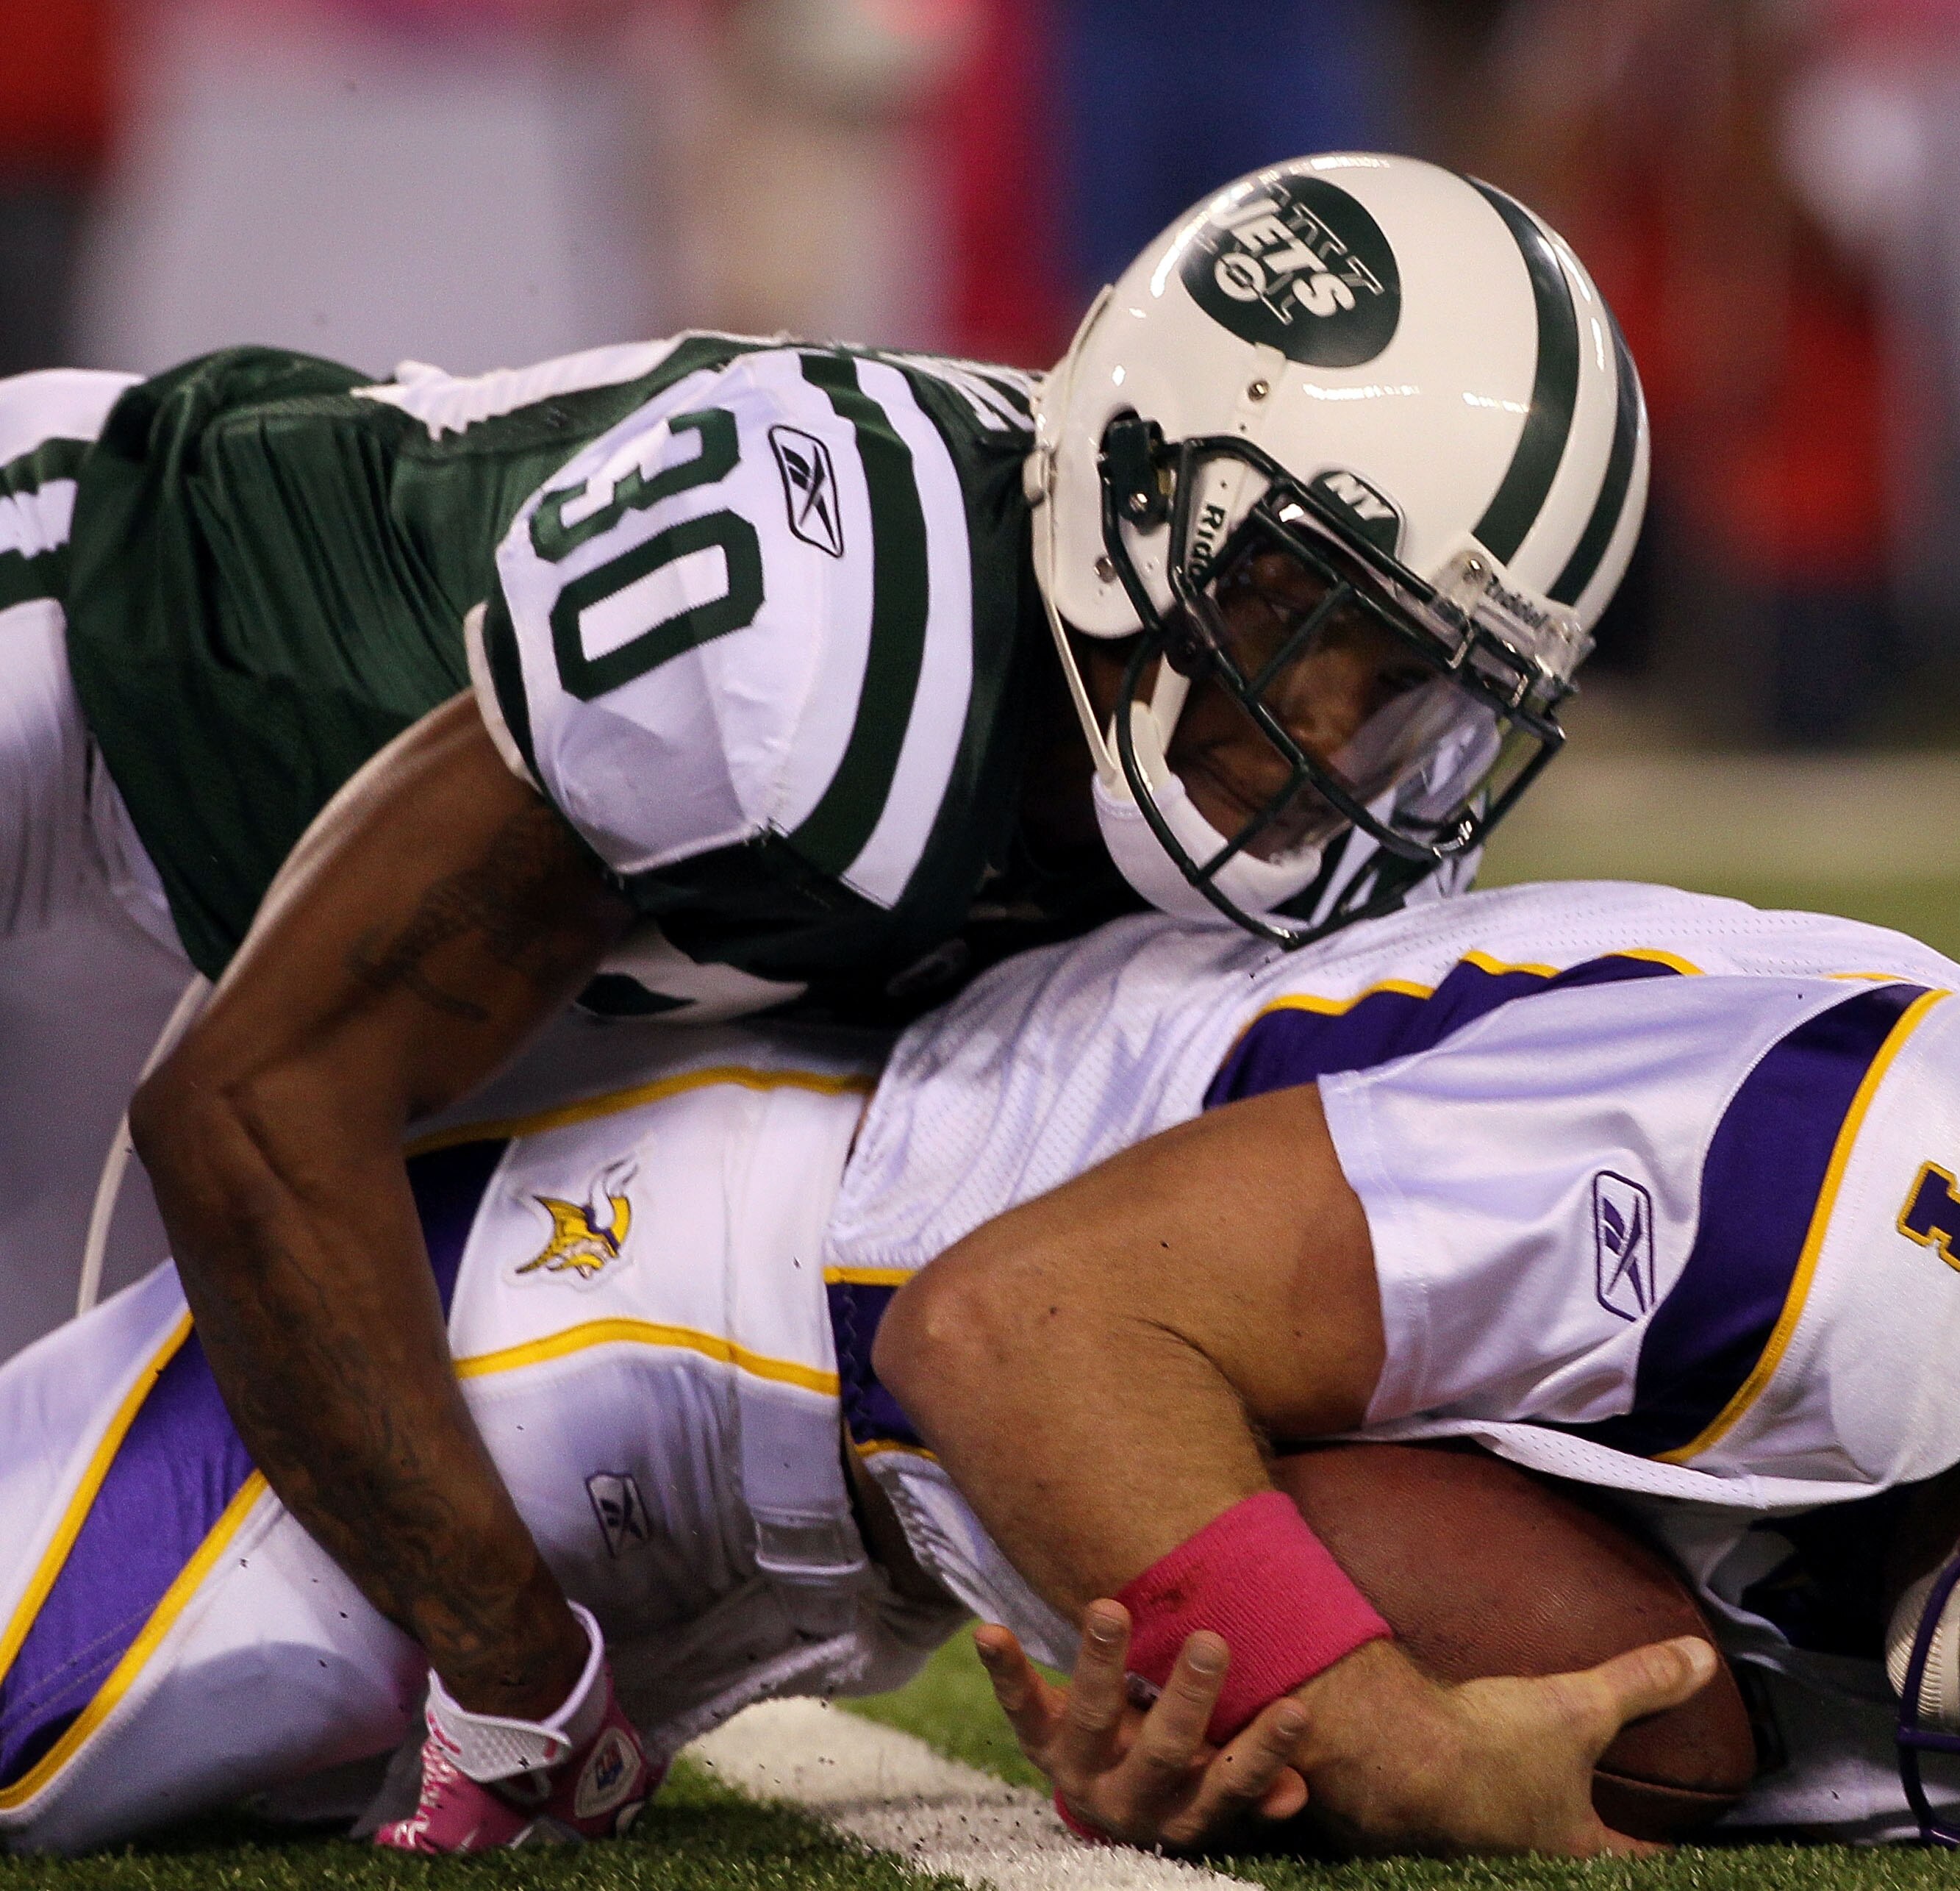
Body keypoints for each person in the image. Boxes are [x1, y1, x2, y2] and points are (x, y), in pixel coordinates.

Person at [0, 151, 1646, 1847]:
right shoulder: (844, 612)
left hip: (337, 1021)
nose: (1334, 732)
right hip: (101, 658)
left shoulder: (1277, 877)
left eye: (1419, 692)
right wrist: (518, 1673)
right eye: (1315, 613)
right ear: (1158, 488)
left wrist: (1141, 1650)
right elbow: (252, 1114)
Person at [0, 881, 1960, 1855]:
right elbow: (1018, 1328)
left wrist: (1229, 1719)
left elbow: (1245, 1515)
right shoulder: (1880, 1227)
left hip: (808, 1550)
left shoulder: (1910, 1656)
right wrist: (1375, 1746)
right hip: (683, 1271)